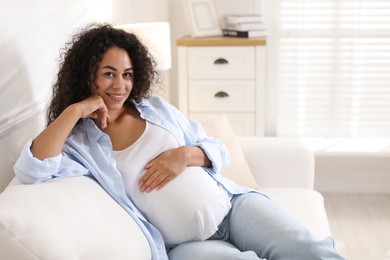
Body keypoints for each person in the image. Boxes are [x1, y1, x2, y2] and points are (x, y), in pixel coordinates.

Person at [14, 23, 345, 260]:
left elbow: (217, 149)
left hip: (234, 209)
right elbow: (32, 169)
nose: (120, 85)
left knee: (310, 251)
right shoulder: (79, 145)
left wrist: (187, 155)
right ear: (87, 75)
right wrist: (74, 111)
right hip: (184, 246)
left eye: (127, 74)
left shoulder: (153, 108)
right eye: (109, 73)